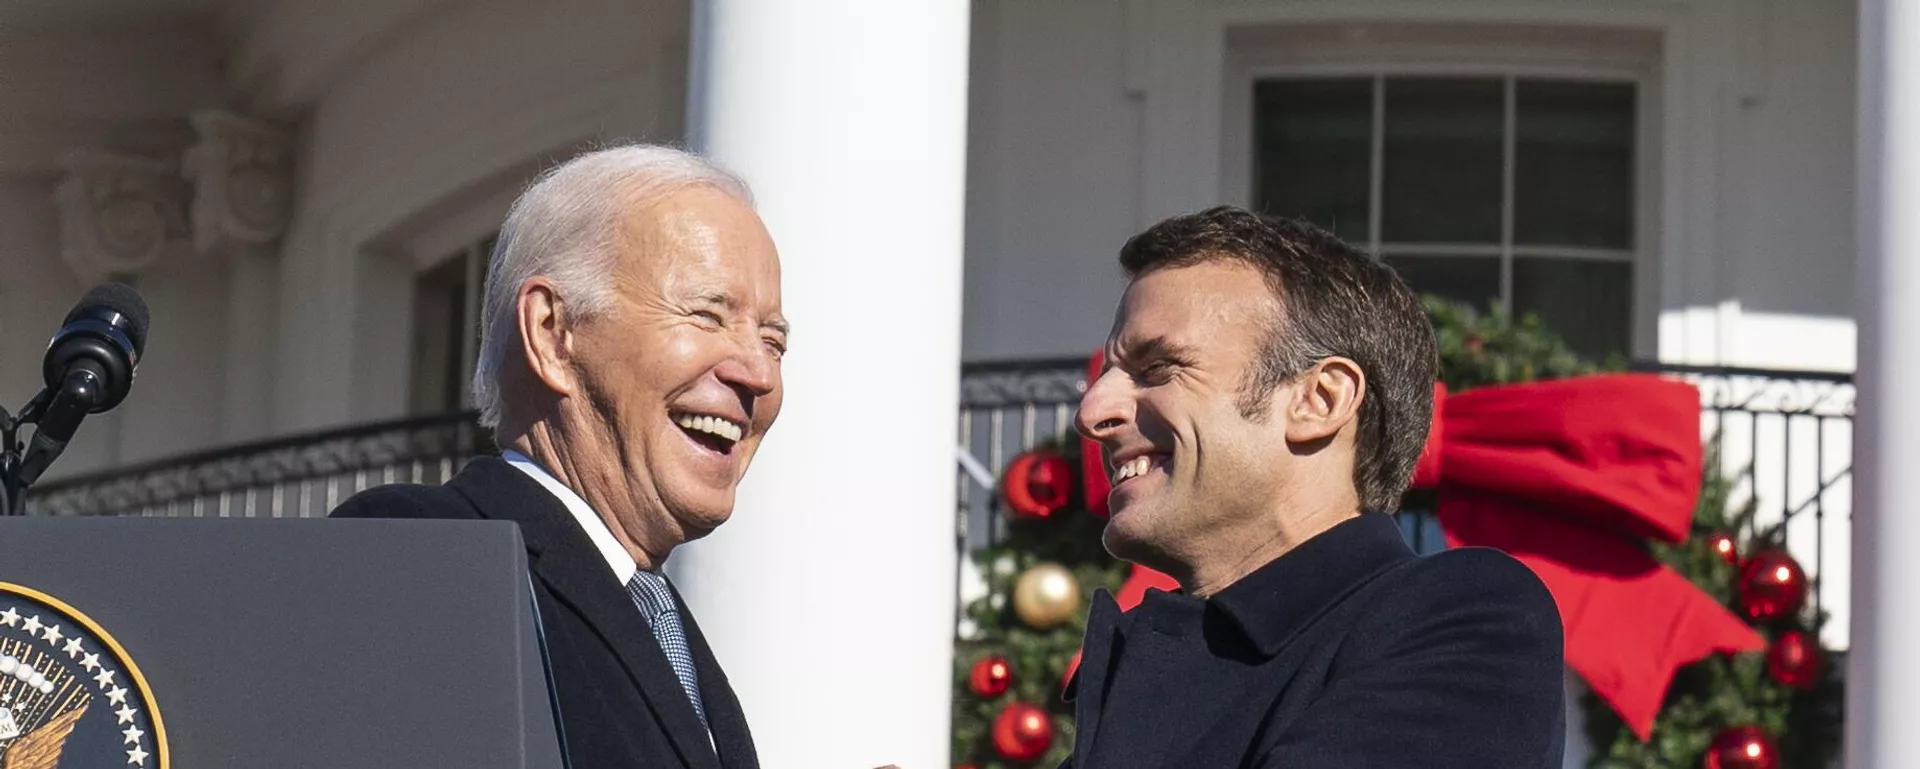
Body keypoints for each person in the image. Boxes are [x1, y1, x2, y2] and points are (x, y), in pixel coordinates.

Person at [331, 144, 786, 769]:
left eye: (774, 340)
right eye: (708, 316)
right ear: (553, 333)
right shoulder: (419, 552)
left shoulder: (658, 620)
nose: (759, 373)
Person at [1062, 206, 1566, 768]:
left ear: (1319, 400)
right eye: (1106, 376)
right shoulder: (1133, 663)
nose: (1093, 411)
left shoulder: (1462, 617)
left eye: (1157, 368)